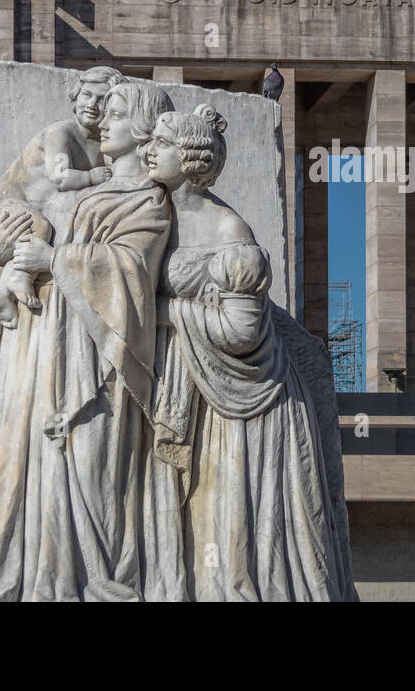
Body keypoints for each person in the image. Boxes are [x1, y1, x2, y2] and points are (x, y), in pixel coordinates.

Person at [0, 80, 174, 601]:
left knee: (91, 478)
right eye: (102, 111)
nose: (102, 121)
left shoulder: (149, 201)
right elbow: (14, 231)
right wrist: (1, 256)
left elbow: (133, 270)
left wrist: (55, 262)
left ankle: (82, 582)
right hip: (38, 350)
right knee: (23, 469)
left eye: (117, 113)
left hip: (97, 362)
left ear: (144, 130)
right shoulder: (82, 190)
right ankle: (39, 578)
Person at [142, 104, 356, 600]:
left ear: (192, 157)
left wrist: (162, 312)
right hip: (194, 390)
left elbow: (241, 333)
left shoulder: (228, 232)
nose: (150, 151)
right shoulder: (154, 216)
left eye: (163, 144)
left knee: (234, 525)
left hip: (250, 406)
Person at [0, 66, 123, 328]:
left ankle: (3, 293)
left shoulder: (103, 144)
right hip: (10, 208)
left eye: (101, 98)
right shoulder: (61, 132)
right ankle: (17, 278)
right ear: (76, 96)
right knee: (40, 227)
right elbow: (59, 176)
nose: (92, 104)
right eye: (86, 95)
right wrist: (93, 177)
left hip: (41, 214)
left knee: (45, 228)